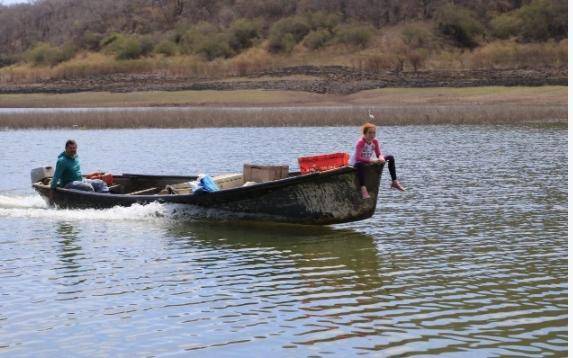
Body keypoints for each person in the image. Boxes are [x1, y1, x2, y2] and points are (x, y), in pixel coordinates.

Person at [351, 122, 405, 199]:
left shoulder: (375, 141)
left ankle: (394, 182)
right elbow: (358, 158)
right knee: (360, 164)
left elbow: (378, 154)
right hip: (357, 163)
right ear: (365, 133)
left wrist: (381, 158)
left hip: (369, 161)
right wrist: (372, 161)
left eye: (374, 133)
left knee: (390, 157)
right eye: (370, 133)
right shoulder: (361, 143)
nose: (372, 135)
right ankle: (363, 190)